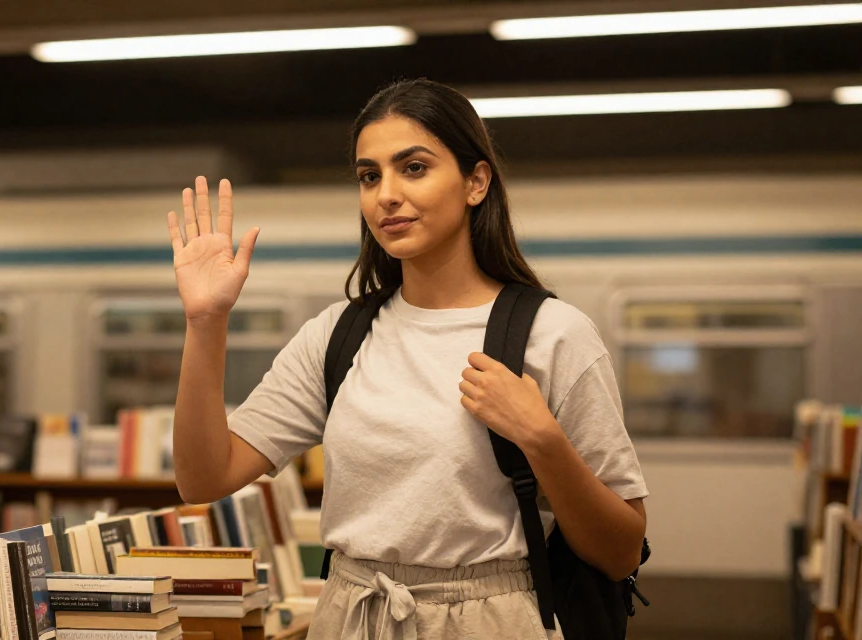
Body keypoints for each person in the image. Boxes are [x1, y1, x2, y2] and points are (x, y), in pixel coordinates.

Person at [166, 78, 648, 639]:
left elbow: (621, 552)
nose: (385, 194)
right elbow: (202, 477)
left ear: (476, 181)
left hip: (490, 619)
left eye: (413, 168)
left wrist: (543, 440)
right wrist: (205, 323)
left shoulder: (553, 334)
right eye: (369, 176)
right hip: (351, 615)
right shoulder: (337, 335)